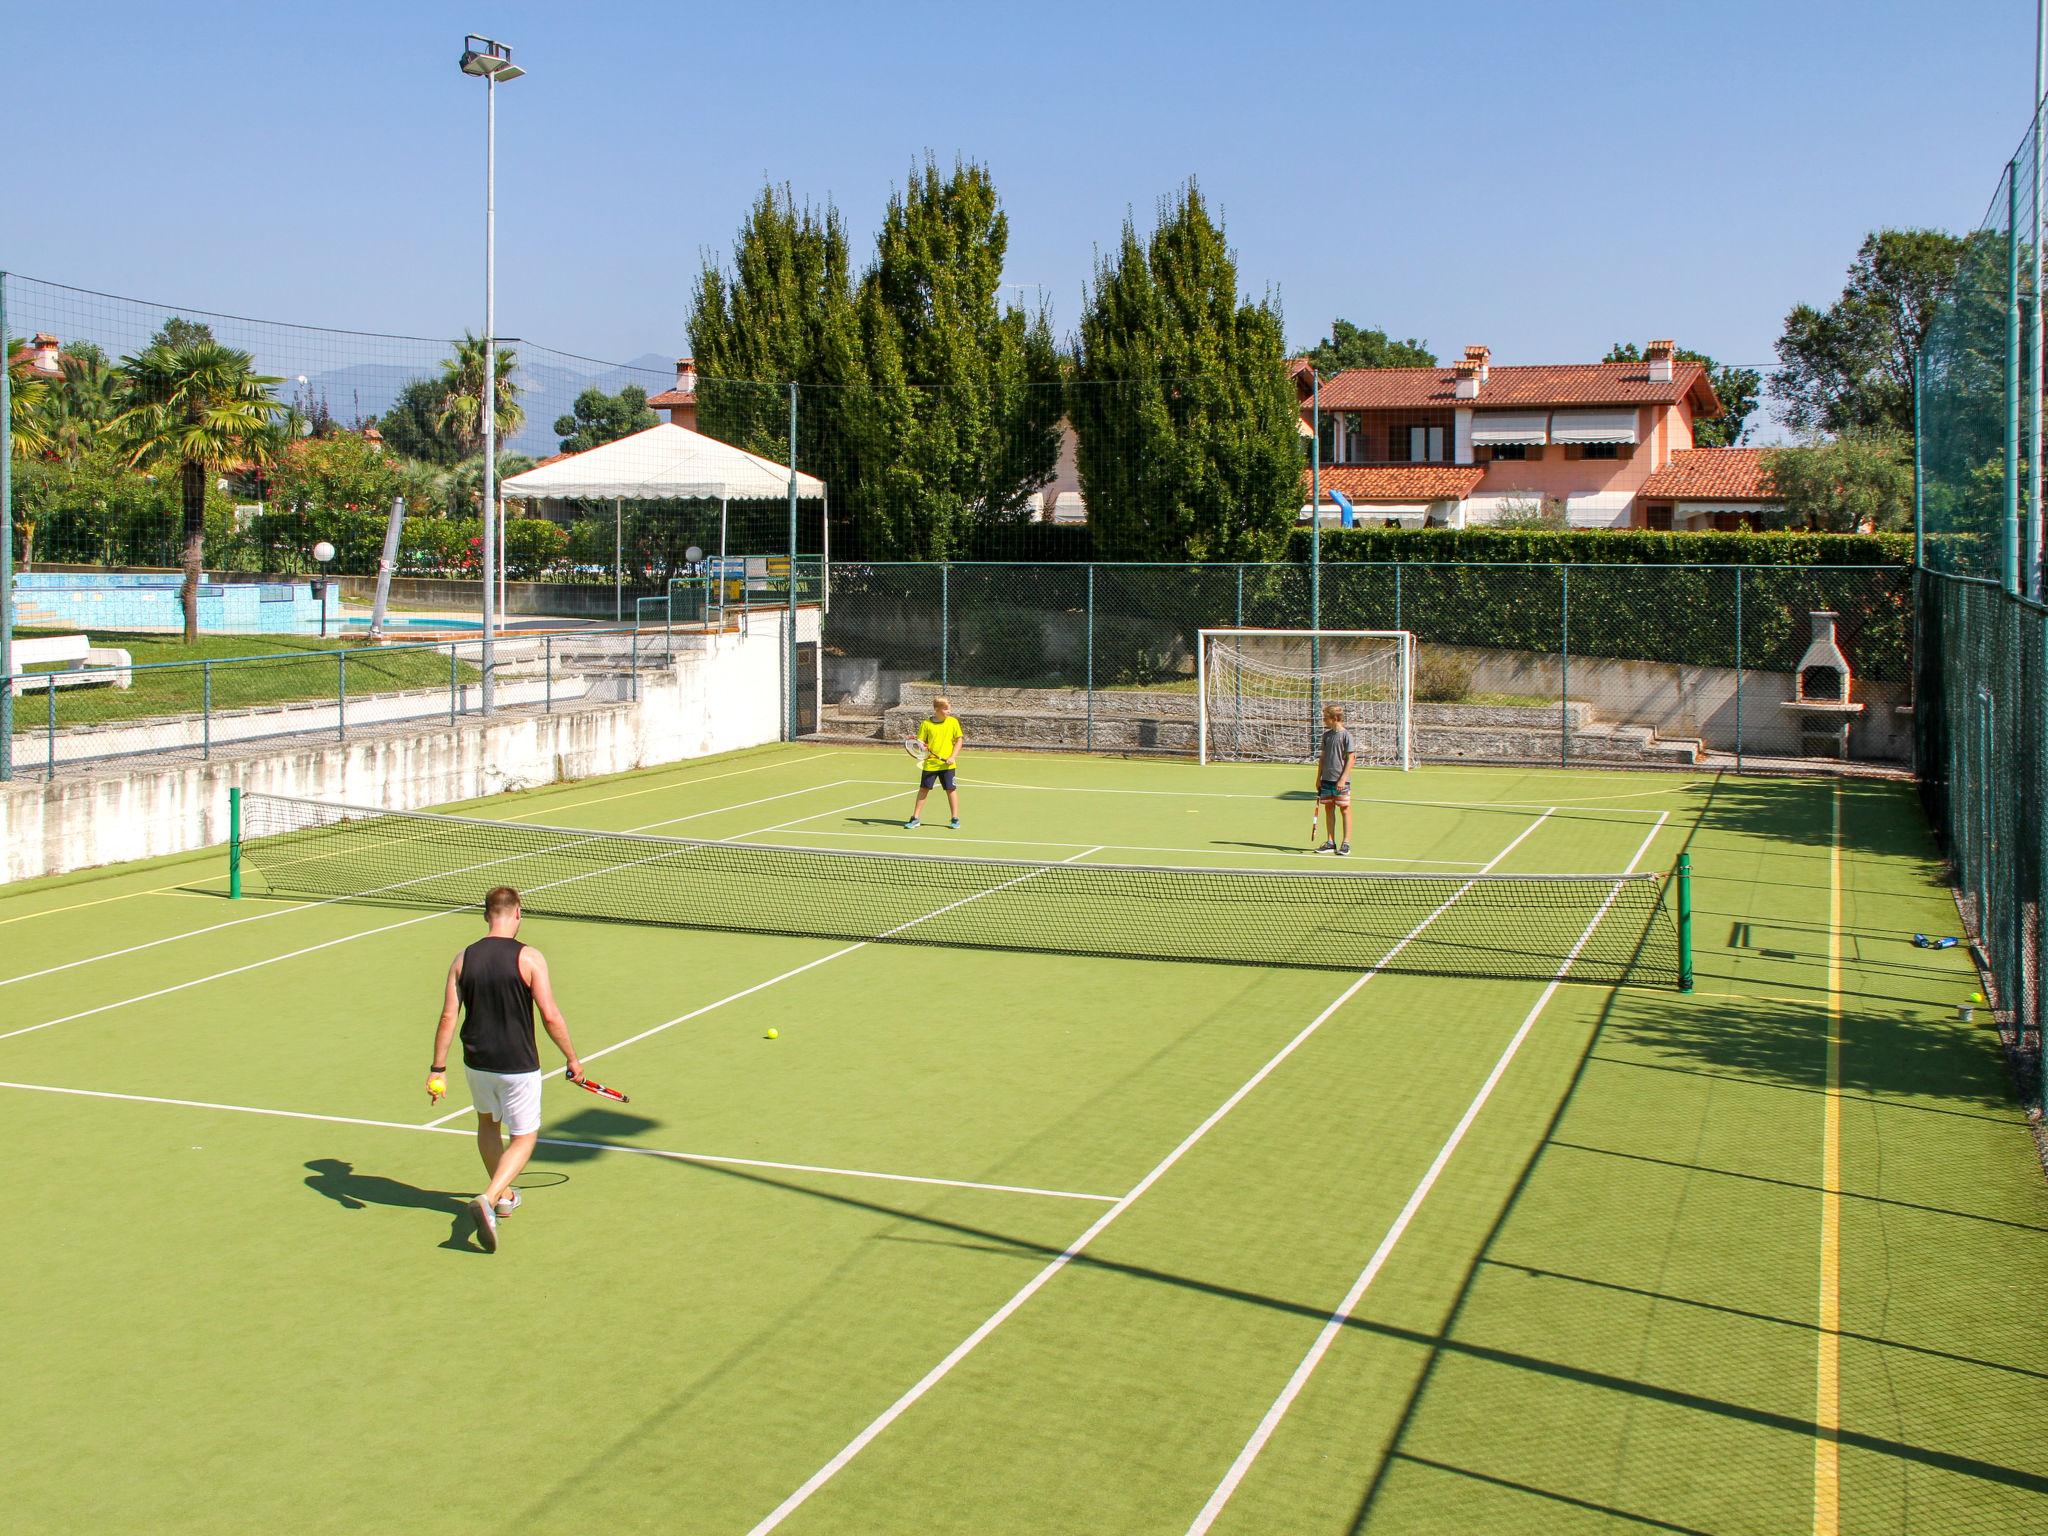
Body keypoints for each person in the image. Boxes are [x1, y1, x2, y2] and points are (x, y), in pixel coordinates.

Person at [427, 885, 583, 1253]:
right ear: (517, 913)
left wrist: (437, 1068)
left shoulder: (462, 958)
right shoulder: (530, 957)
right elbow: (549, 1014)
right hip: (517, 1064)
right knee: (525, 1137)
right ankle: (490, 1196)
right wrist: (572, 1058)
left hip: (476, 1063)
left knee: (487, 1124)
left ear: (486, 915)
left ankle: (504, 1196)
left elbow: (449, 1015)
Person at [906, 695, 965, 829]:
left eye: (949, 708)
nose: (949, 711)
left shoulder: (953, 722)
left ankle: (955, 818)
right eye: (945, 709)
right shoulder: (926, 724)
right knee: (923, 789)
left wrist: (952, 756)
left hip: (948, 765)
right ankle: (915, 818)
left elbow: (959, 740)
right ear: (937, 709)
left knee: (951, 790)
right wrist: (922, 745)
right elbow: (920, 742)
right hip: (930, 764)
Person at [1316, 704, 1355, 855]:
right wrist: (1318, 777)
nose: (1324, 721)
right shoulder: (1326, 736)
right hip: (1326, 779)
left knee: (1344, 809)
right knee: (1328, 808)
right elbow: (1323, 758)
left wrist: (1342, 779)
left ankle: (1346, 843)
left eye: (1326, 718)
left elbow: (1351, 759)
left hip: (1341, 781)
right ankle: (1330, 842)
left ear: (1335, 718)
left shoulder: (1346, 736)